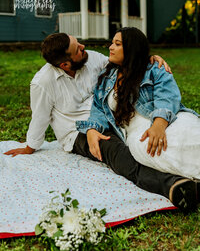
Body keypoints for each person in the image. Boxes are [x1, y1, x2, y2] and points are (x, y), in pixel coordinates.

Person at [4, 32, 198, 213]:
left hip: (109, 118)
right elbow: (40, 117)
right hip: (76, 131)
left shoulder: (92, 58)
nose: (83, 46)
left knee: (138, 143)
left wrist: (148, 57)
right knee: (114, 150)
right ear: (65, 64)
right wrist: (30, 147)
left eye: (79, 42)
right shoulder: (42, 83)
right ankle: (172, 185)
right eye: (78, 49)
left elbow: (126, 63)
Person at [73, 27, 200, 212]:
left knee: (186, 137)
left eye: (117, 44)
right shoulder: (106, 78)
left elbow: (168, 96)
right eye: (112, 43)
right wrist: (92, 129)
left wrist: (159, 124)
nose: (110, 47)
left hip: (166, 119)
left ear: (131, 49)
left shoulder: (153, 69)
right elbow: (98, 109)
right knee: (156, 149)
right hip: (136, 134)